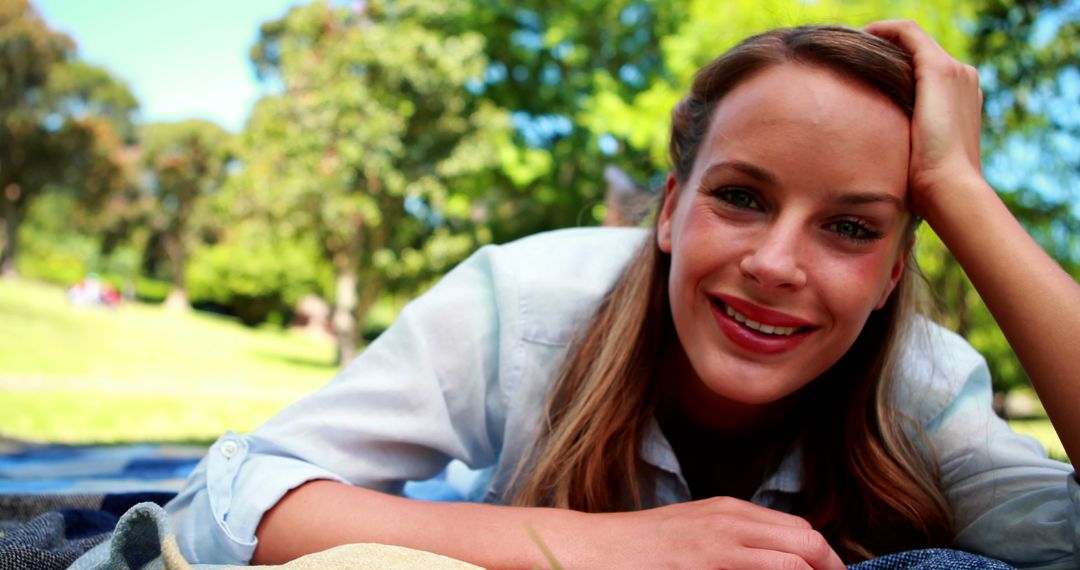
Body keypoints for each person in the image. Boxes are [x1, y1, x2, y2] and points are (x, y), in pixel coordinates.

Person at [166, 19, 1080, 568]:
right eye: (741, 197)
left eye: (851, 226)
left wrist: (962, 191)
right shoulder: (524, 299)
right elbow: (227, 501)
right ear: (672, 210)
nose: (774, 262)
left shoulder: (924, 387)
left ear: (894, 271)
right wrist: (604, 547)